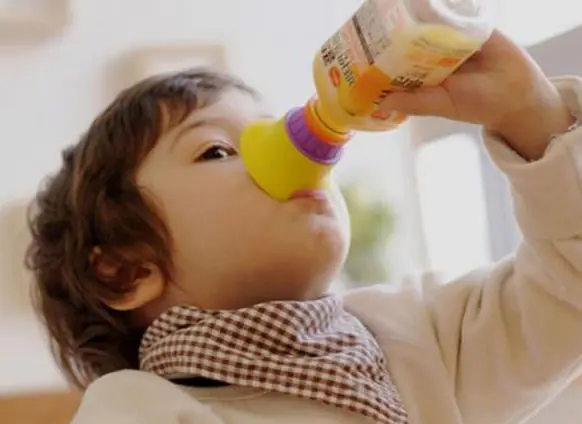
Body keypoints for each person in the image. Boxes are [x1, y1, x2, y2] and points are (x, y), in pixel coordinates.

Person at [27, 30, 582, 424]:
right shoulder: (138, 407)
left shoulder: (422, 334)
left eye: (270, 130)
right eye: (217, 150)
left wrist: (533, 114)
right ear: (126, 270)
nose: (292, 148)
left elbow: (568, 285)